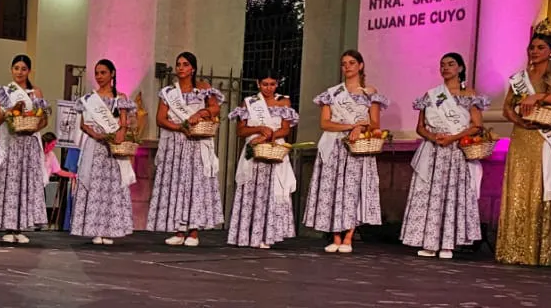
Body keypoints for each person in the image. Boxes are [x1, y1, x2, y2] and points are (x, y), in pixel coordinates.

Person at [496, 20, 551, 266]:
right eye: (532, 47)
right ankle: (514, 249)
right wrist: (519, 122)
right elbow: (507, 108)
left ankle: (538, 252)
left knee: (541, 186)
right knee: (518, 187)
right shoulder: (519, 78)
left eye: (541, 47)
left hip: (544, 136)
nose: (535, 51)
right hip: (523, 135)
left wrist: (540, 96)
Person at [400, 53, 487, 259]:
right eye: (442, 65)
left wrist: (453, 137)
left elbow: (477, 126)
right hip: (433, 152)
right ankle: (429, 242)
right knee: (431, 196)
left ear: (460, 68)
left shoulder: (469, 95)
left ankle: (448, 244)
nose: (446, 68)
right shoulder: (431, 95)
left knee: (451, 196)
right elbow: (420, 127)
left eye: (450, 64)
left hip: (456, 153)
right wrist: (432, 136)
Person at [303, 50, 388, 254]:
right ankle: (335, 236)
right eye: (343, 64)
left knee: (352, 192)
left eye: (351, 63)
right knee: (333, 190)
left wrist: (359, 128)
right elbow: (325, 123)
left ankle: (349, 237)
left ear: (360, 65)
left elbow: (375, 123)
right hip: (334, 146)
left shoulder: (370, 93)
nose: (347, 67)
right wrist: (349, 126)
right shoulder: (332, 93)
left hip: (357, 148)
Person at [147, 52, 224, 247]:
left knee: (195, 185)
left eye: (185, 64)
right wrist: (180, 127)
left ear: (193, 69)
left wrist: (201, 112)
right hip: (176, 142)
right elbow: (160, 119)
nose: (181, 68)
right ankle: (179, 230)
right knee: (177, 184)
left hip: (197, 143)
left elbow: (215, 109)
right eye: (178, 64)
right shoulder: (168, 93)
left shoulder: (204, 88)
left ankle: (194, 231)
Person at [227, 73, 299, 249]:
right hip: (254, 151)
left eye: (272, 84)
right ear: (258, 84)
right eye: (265, 84)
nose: (269, 88)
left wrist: (269, 135)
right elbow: (240, 130)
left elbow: (285, 130)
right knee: (252, 192)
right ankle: (247, 235)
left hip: (273, 150)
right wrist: (259, 129)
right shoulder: (249, 102)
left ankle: (268, 236)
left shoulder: (283, 102)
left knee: (272, 193)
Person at [70, 59, 135, 245]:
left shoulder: (120, 98)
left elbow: (124, 122)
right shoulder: (90, 99)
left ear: (112, 74)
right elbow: (83, 124)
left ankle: (109, 230)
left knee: (111, 188)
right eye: (97, 73)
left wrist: (118, 137)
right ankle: (95, 229)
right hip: (95, 146)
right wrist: (96, 134)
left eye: (103, 72)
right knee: (95, 185)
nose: (99, 77)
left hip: (113, 148)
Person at [0, 55, 50, 244]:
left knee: (25, 184)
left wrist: (33, 128)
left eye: (23, 68)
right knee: (10, 185)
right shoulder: (4, 92)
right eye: (16, 68)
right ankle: (8, 227)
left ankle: (22, 227)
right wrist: (9, 111)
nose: (19, 72)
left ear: (29, 71)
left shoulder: (35, 92)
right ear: (11, 70)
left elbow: (44, 119)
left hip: (28, 144)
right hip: (10, 143)